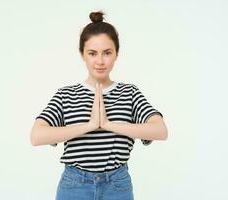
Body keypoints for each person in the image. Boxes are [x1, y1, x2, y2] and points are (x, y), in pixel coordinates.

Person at [30, 11, 168, 200]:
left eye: (107, 53)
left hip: (117, 185)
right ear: (82, 54)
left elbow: (160, 131)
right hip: (74, 186)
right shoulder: (66, 94)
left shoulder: (130, 93)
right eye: (92, 53)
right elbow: (37, 136)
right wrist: (90, 125)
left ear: (117, 54)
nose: (100, 61)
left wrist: (109, 124)